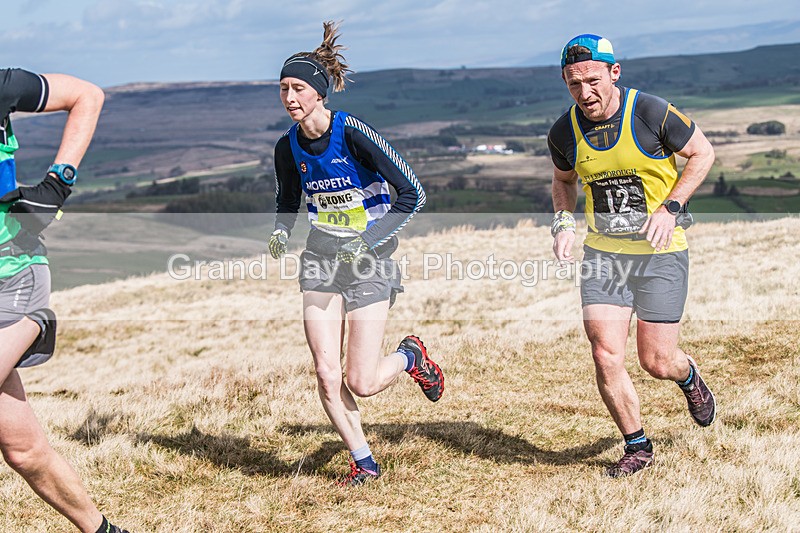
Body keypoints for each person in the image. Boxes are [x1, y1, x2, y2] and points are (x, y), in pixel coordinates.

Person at [268, 21, 444, 486]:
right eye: (282, 88)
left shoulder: (354, 134)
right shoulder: (286, 147)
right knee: (326, 374)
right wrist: (281, 231)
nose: (289, 97)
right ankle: (363, 461)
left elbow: (414, 194)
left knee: (361, 381)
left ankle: (411, 357)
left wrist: (364, 242)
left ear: (319, 93)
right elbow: (289, 198)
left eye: (298, 88)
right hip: (320, 260)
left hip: (369, 260)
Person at [547, 34, 717, 477]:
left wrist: (671, 207)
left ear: (613, 72)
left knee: (656, 361)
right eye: (573, 84)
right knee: (606, 353)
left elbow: (702, 153)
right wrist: (564, 223)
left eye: (592, 80)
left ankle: (687, 376)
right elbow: (563, 181)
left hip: (661, 253)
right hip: (604, 255)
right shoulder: (564, 131)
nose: (585, 93)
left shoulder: (650, 112)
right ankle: (637, 445)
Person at [0, 69, 127, 532]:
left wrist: (57, 184)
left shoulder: (2, 85)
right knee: (24, 450)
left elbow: (87, 95)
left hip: (13, 278)